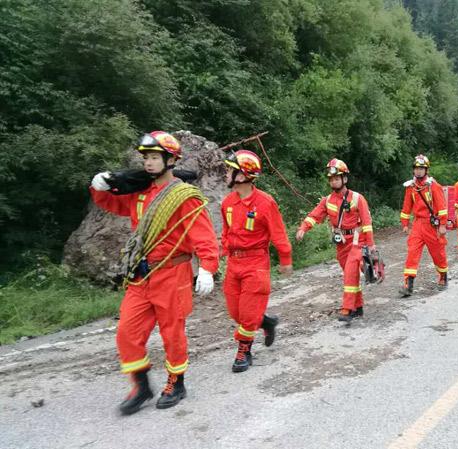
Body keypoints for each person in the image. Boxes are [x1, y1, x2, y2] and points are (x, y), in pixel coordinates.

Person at [90, 131, 219, 415]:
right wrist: (99, 186)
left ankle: (176, 382)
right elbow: (110, 203)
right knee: (127, 332)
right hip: (141, 275)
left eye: (154, 157)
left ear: (171, 160)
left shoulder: (184, 197)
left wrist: (208, 269)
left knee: (173, 333)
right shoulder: (140, 193)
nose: (148, 163)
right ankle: (141, 386)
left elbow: (204, 237)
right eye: (146, 157)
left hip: (172, 274)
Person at [221, 150, 292, 373]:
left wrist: (285, 258)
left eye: (230, 170)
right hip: (234, 264)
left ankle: (244, 351)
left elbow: (278, 233)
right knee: (237, 312)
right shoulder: (227, 203)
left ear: (242, 175)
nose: (226, 173)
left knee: (248, 313)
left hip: (256, 263)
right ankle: (267, 322)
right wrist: (220, 252)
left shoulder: (265, 203)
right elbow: (226, 232)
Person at [295, 159, 377, 322]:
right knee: (350, 274)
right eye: (331, 179)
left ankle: (347, 309)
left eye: (337, 178)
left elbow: (367, 223)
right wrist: (303, 228)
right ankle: (358, 307)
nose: (334, 181)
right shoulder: (327, 200)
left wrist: (371, 245)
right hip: (341, 243)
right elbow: (315, 215)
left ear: (344, 179)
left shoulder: (357, 198)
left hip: (356, 240)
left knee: (350, 273)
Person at [398, 155, 448, 297]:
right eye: (416, 168)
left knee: (438, 253)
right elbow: (407, 206)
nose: (418, 171)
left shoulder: (433, 186)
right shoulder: (411, 187)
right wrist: (405, 223)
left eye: (421, 168)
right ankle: (408, 285)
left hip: (432, 225)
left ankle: (443, 276)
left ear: (426, 170)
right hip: (418, 224)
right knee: (412, 252)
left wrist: (443, 224)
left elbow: (441, 206)